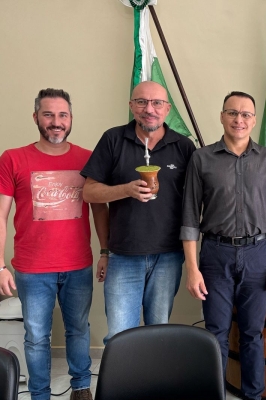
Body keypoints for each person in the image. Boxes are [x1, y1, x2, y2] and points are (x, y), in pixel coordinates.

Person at [0, 88, 109, 400]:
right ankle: (39, 394)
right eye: (49, 114)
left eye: (63, 115)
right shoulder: (13, 158)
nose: (57, 121)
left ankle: (81, 387)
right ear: (36, 117)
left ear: (71, 118)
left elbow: (100, 210)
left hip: (78, 265)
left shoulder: (87, 159)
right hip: (32, 269)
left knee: (78, 330)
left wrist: (105, 251)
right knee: (37, 337)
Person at [181, 91, 266, 400]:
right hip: (215, 255)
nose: (238, 119)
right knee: (215, 332)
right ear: (222, 116)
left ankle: (253, 395)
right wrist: (192, 269)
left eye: (245, 114)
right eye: (232, 113)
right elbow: (190, 217)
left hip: (258, 255)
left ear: (254, 120)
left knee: (252, 333)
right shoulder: (201, 158)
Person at [81, 81, 196, 343]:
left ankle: (154, 373)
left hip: (168, 255)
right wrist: (125, 190)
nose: (149, 109)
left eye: (157, 103)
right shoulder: (113, 139)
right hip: (123, 255)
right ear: (131, 106)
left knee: (159, 333)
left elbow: (196, 200)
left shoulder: (184, 146)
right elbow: (89, 192)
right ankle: (123, 373)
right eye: (142, 102)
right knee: (120, 337)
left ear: (167, 109)